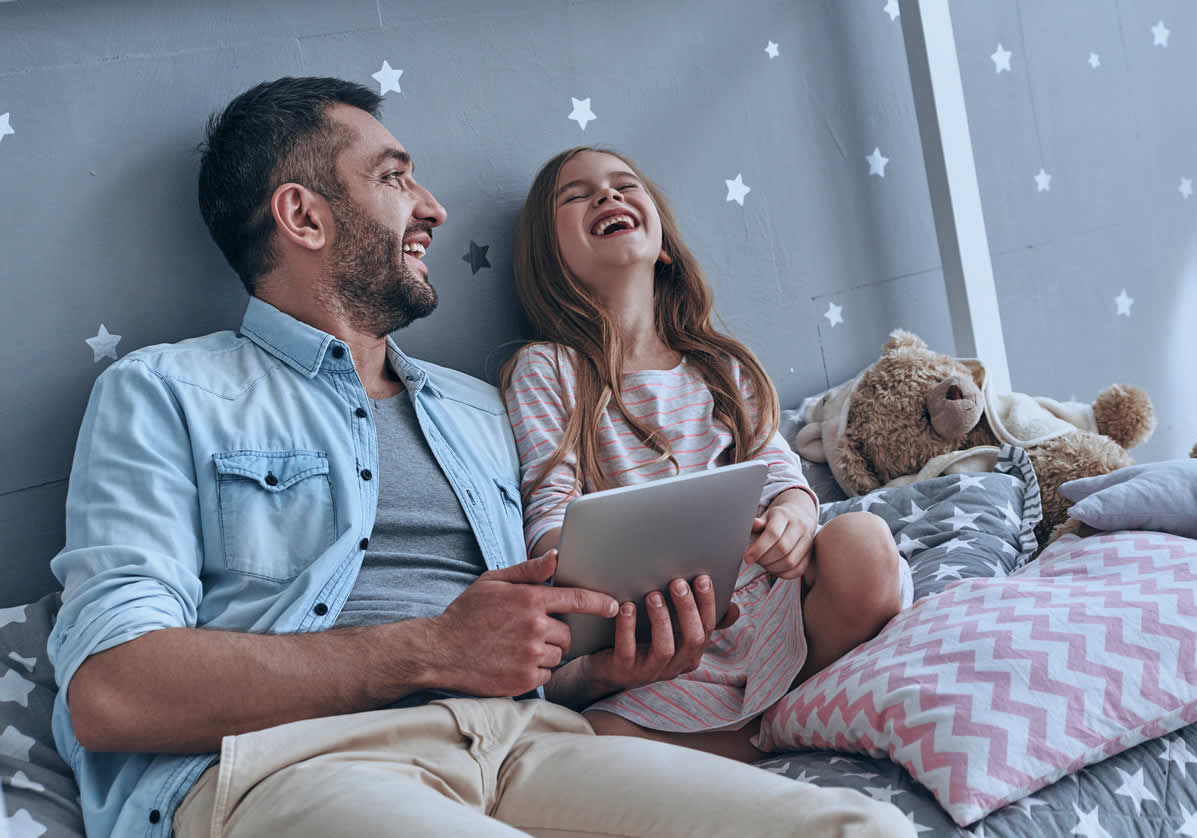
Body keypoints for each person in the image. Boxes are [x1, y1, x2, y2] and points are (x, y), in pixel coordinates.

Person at [46, 78, 915, 838]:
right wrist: (428, 649)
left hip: (528, 746)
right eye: (393, 177)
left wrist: (606, 666)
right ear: (302, 215)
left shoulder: (476, 409)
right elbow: (112, 692)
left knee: (859, 827)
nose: (433, 207)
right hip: (299, 766)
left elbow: (533, 658)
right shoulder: (165, 390)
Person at [503, 147, 915, 762]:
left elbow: (778, 467)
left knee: (865, 542)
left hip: (768, 605)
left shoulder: (717, 364)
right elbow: (549, 501)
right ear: (551, 259)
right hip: (659, 633)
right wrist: (580, 569)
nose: (608, 197)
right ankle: (766, 732)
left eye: (623, 186)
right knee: (601, 743)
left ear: (663, 244)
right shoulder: (548, 369)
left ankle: (779, 712)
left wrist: (795, 516)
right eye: (578, 195)